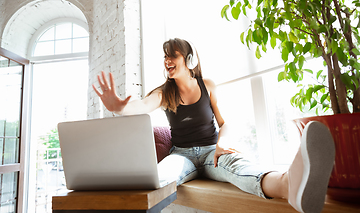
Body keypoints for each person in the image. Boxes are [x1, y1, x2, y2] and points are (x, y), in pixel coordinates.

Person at [93, 38, 335, 213]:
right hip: (182, 156)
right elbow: (142, 106)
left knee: (239, 167)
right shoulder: (163, 93)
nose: (167, 60)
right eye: (165, 56)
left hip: (212, 151)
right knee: (161, 178)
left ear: (189, 59)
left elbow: (224, 123)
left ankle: (288, 185)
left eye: (172, 55)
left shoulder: (207, 85)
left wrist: (221, 145)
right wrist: (120, 108)